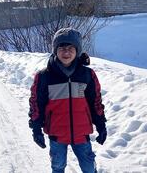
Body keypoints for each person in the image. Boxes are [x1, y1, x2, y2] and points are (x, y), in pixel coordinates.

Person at [28, 28, 107, 173]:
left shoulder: (87, 75)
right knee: (58, 166)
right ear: (55, 50)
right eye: (62, 47)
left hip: (81, 133)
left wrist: (101, 124)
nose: (66, 52)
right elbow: (36, 103)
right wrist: (36, 128)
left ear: (77, 50)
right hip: (57, 133)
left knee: (89, 167)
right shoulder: (44, 76)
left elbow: (95, 101)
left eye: (71, 48)